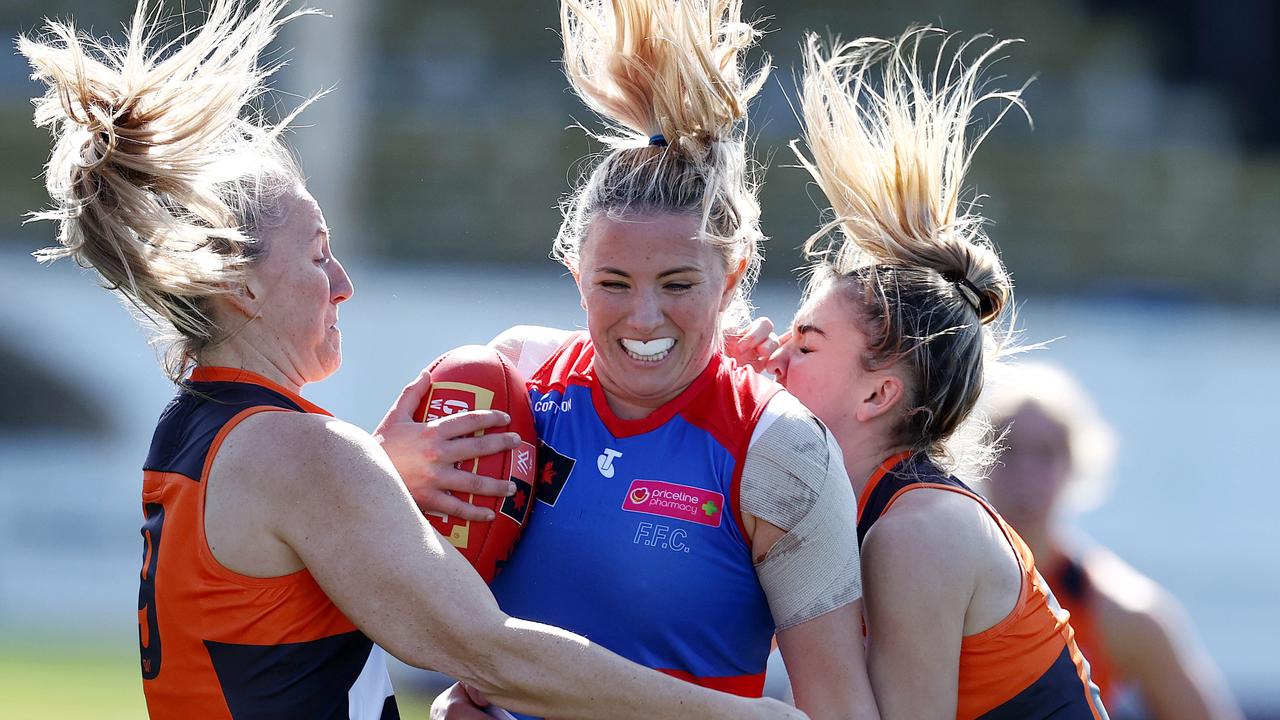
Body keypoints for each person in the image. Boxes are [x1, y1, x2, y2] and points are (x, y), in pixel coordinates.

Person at [20, 2, 808, 718]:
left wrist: (689, 364)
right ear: (244, 289)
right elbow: (493, 655)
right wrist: (738, 716)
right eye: (319, 256)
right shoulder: (305, 455)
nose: (344, 284)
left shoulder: (196, 429)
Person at [408, 2, 878, 718]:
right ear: (575, 275)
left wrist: (542, 681)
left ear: (733, 275)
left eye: (679, 285)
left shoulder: (780, 453)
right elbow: (410, 609)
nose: (645, 319)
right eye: (614, 284)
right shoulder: (510, 386)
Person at [731, 27, 1110, 719]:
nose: (776, 355)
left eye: (807, 345)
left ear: (879, 392)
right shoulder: (861, 511)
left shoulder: (917, 531)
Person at [982, 362, 1244, 720]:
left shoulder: (1121, 611)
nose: (1025, 474)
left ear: (1074, 463)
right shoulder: (937, 584)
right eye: (1007, 448)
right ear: (979, 456)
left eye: (1045, 453)